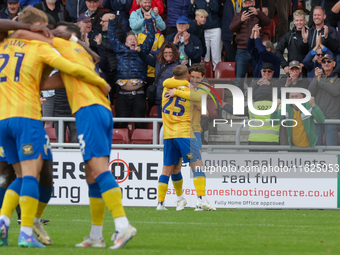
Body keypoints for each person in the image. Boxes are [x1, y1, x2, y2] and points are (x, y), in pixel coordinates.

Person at [0, 7, 110, 248]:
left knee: (19, 175)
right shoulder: (40, 47)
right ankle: (26, 233)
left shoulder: (3, 44)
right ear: (40, 24)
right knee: (32, 175)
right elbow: (71, 68)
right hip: (26, 117)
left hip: (3, 119)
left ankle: (3, 220)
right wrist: (99, 81)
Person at [35, 21, 136, 249]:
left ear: (66, 35)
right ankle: (95, 236)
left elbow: (42, 63)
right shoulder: (82, 54)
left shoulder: (61, 44)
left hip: (88, 110)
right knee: (92, 175)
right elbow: (51, 82)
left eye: (59, 31)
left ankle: (122, 225)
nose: (54, 33)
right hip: (102, 110)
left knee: (99, 169)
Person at [158, 65, 216, 211]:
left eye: (198, 77)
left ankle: (198, 200)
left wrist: (177, 92)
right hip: (184, 132)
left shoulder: (201, 87)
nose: (195, 80)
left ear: (203, 77)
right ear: (188, 75)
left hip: (191, 131)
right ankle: (184, 199)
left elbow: (205, 111)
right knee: (178, 168)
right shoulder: (185, 87)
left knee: (189, 165)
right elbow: (204, 110)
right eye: (193, 76)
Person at [108, 12, 155, 129]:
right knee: (120, 125)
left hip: (139, 94)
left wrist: (148, 21)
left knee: (140, 124)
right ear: (125, 43)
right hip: (122, 95)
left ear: (137, 42)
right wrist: (112, 21)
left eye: (134, 39)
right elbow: (112, 38)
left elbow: (151, 37)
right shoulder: (120, 50)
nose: (132, 41)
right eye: (130, 39)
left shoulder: (142, 51)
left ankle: (143, 147)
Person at [229, 0, 271, 91]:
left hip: (256, 50)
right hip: (242, 50)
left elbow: (268, 22)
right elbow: (231, 28)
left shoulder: (259, 15)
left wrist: (258, 14)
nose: (248, 5)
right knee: (239, 79)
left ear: (254, 3)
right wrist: (241, 20)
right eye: (246, 3)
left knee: (258, 78)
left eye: (250, 2)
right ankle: (238, 102)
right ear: (242, 4)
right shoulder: (238, 15)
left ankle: (256, 99)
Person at [137, 42, 181, 117]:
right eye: (166, 52)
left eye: (170, 52)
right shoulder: (157, 62)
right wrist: (139, 52)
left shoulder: (179, 65)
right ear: (162, 53)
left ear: (174, 53)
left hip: (172, 98)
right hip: (159, 98)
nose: (168, 54)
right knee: (161, 123)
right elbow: (146, 58)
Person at [309, 54, 340, 146]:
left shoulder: (338, 79)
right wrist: (316, 78)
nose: (326, 63)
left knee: (331, 147)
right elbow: (310, 93)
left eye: (329, 61)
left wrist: (320, 81)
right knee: (316, 146)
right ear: (321, 64)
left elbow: (335, 91)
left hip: (331, 117)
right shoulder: (318, 78)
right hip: (317, 116)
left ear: (334, 64)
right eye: (324, 61)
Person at [94, 13, 126, 102]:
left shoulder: (119, 32)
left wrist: (100, 43)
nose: (101, 23)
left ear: (111, 22)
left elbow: (113, 47)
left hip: (116, 70)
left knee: (119, 99)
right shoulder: (102, 32)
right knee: (107, 98)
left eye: (103, 21)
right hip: (105, 69)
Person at [189, 0, 221, 70]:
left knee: (216, 55)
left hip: (214, 28)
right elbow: (191, 14)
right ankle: (204, 73)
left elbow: (216, 9)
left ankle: (216, 74)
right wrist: (191, 3)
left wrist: (209, 2)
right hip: (202, 29)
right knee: (205, 55)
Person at [276, 10, 309, 75]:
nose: (299, 22)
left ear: (305, 21)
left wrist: (305, 63)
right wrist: (285, 65)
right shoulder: (289, 35)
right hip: (292, 70)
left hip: (307, 69)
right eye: (297, 20)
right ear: (293, 21)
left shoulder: (310, 34)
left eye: (301, 20)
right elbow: (278, 50)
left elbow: (314, 51)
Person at [137, 16, 165, 87]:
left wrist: (148, 53)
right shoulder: (138, 35)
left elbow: (161, 51)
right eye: (149, 22)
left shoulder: (160, 36)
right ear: (144, 25)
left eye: (153, 22)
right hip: (141, 70)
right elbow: (137, 50)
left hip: (153, 71)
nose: (152, 24)